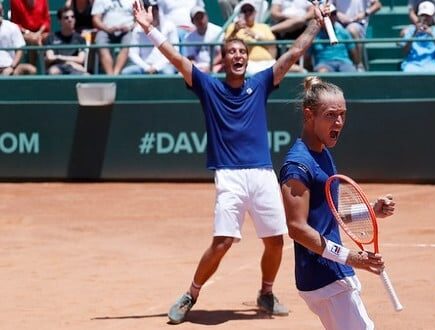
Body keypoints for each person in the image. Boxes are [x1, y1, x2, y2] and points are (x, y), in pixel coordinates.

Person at [132, 0, 329, 324]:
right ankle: (191, 294)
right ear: (223, 59)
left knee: (276, 242)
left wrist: (316, 23)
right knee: (223, 242)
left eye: (242, 52)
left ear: (246, 59)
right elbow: (176, 57)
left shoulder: (261, 83)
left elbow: (293, 54)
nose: (238, 56)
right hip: (230, 177)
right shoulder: (209, 87)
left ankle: (266, 292)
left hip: (263, 175)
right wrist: (149, 28)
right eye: (232, 52)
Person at [279, 76, 396, 330]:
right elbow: (297, 229)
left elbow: (329, 212)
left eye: (342, 114)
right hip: (324, 277)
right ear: (309, 116)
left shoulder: (321, 152)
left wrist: (370, 211)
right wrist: (351, 257)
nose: (339, 122)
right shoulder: (298, 165)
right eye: (331, 115)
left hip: (334, 273)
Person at [122, 0, 177, 75]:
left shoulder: (170, 26)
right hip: (143, 67)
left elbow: (175, 51)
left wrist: (156, 67)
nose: (151, 12)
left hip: (163, 66)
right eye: (147, 9)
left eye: (154, 8)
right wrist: (146, 67)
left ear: (158, 9)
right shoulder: (137, 29)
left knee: (168, 72)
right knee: (126, 73)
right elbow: (133, 53)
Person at [225, 0, 277, 74]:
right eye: (244, 11)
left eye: (250, 10)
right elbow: (225, 46)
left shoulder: (264, 27)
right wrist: (235, 31)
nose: (247, 13)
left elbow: (272, 46)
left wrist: (255, 36)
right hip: (248, 64)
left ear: (255, 12)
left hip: (269, 62)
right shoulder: (233, 27)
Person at [333, 0, 382, 72]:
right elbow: (327, 6)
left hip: (358, 24)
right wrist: (337, 14)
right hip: (338, 23)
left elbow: (377, 5)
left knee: (351, 29)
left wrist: (364, 13)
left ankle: (359, 64)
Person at [400, 1, 435, 72]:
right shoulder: (410, 30)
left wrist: (432, 35)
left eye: (427, 15)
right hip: (413, 63)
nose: (425, 18)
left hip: (433, 63)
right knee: (408, 70)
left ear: (432, 16)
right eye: (422, 15)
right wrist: (414, 34)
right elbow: (404, 51)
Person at [91, 0, 135, 74]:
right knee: (100, 42)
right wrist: (107, 29)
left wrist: (129, 27)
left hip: (127, 30)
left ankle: (116, 74)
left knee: (129, 43)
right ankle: (110, 75)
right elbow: (95, 19)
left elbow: (139, 19)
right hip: (106, 30)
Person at [309, 4, 356, 73]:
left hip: (344, 62)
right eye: (327, 15)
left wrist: (356, 63)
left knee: (351, 72)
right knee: (322, 72)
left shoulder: (343, 32)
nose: (331, 17)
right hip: (324, 64)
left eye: (333, 14)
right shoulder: (314, 35)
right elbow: (307, 58)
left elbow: (353, 51)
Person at [44, 6, 88, 75]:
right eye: (66, 18)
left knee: (86, 75)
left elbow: (80, 59)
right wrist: (68, 62)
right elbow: (50, 57)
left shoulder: (80, 39)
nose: (70, 20)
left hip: (74, 67)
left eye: (72, 17)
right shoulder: (51, 38)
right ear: (60, 21)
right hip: (57, 66)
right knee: (53, 72)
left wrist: (60, 57)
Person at [183, 6, 224, 73]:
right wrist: (195, 67)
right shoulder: (188, 37)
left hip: (216, 65)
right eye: (197, 18)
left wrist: (210, 66)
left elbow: (222, 54)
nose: (200, 20)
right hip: (198, 67)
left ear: (207, 17)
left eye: (202, 17)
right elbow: (190, 57)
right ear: (192, 21)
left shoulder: (218, 31)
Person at [0, 1, 36, 75]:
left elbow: (20, 49)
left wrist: (12, 67)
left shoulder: (12, 27)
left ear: (2, 12)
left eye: (0, 12)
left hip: (10, 67)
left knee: (31, 69)